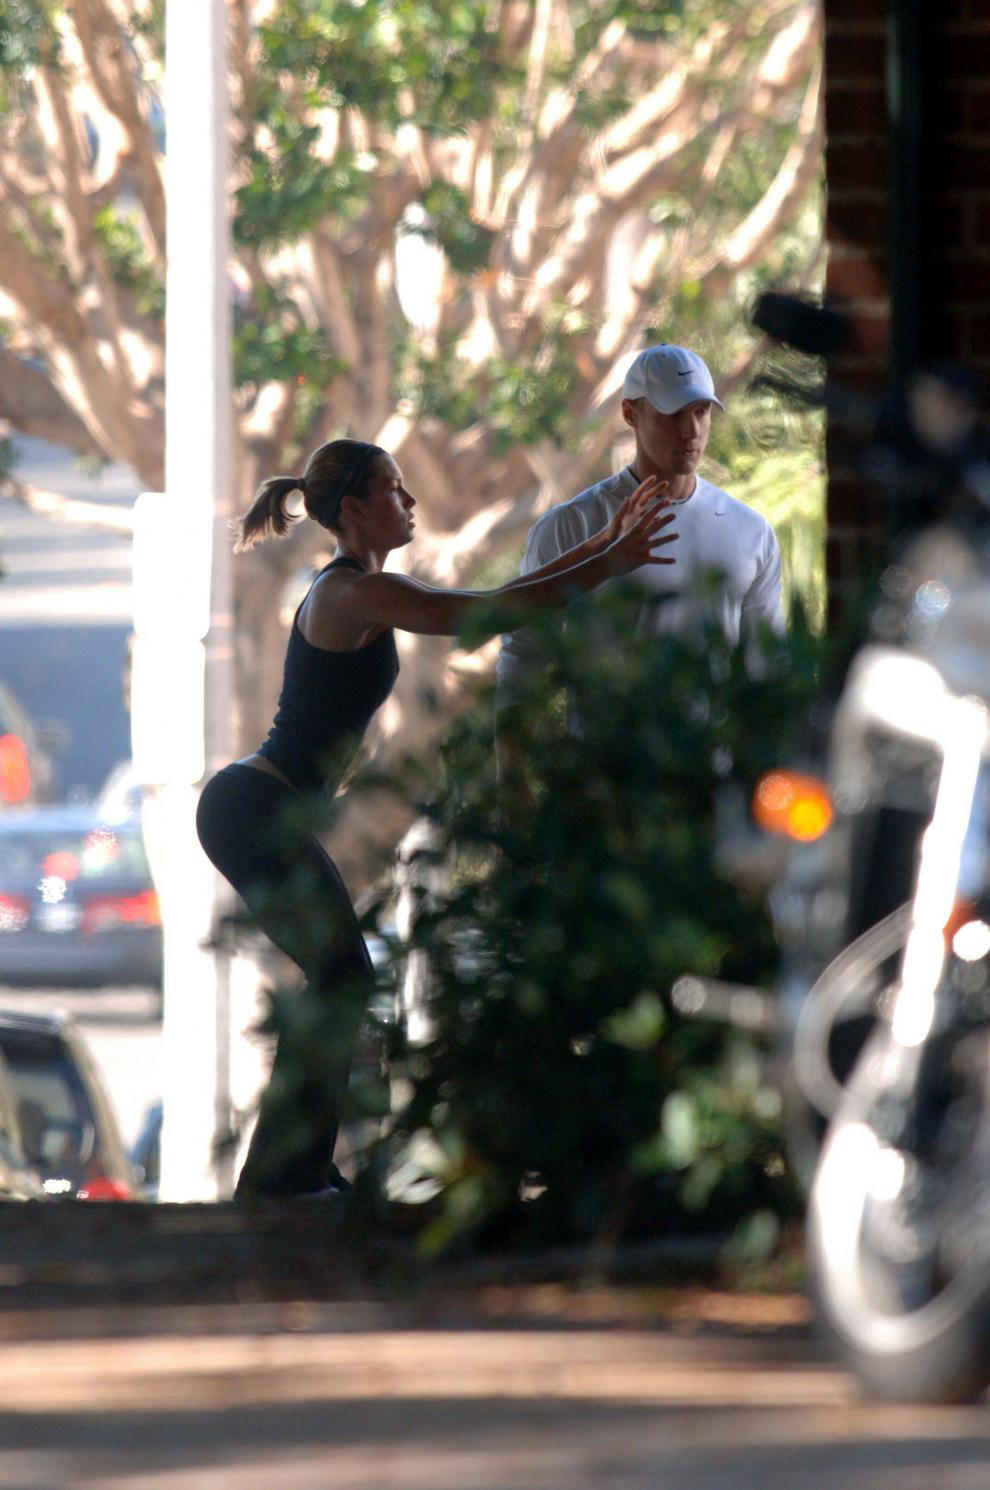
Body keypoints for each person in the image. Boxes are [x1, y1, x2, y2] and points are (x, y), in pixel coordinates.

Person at [195, 437, 678, 1200]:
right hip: (251, 807)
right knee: (342, 975)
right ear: (356, 509)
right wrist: (607, 560)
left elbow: (504, 596)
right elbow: (486, 614)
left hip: (262, 809)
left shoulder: (361, 588)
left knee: (339, 977)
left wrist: (604, 545)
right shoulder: (350, 594)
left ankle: (292, 1171)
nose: (411, 501)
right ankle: (282, 1178)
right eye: (395, 488)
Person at [495, 343, 785, 784]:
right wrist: (514, 791)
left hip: (709, 787)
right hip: (602, 788)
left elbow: (766, 674)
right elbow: (523, 660)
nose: (691, 431)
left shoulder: (751, 532)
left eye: (702, 412)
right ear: (631, 414)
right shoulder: (571, 527)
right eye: (673, 415)